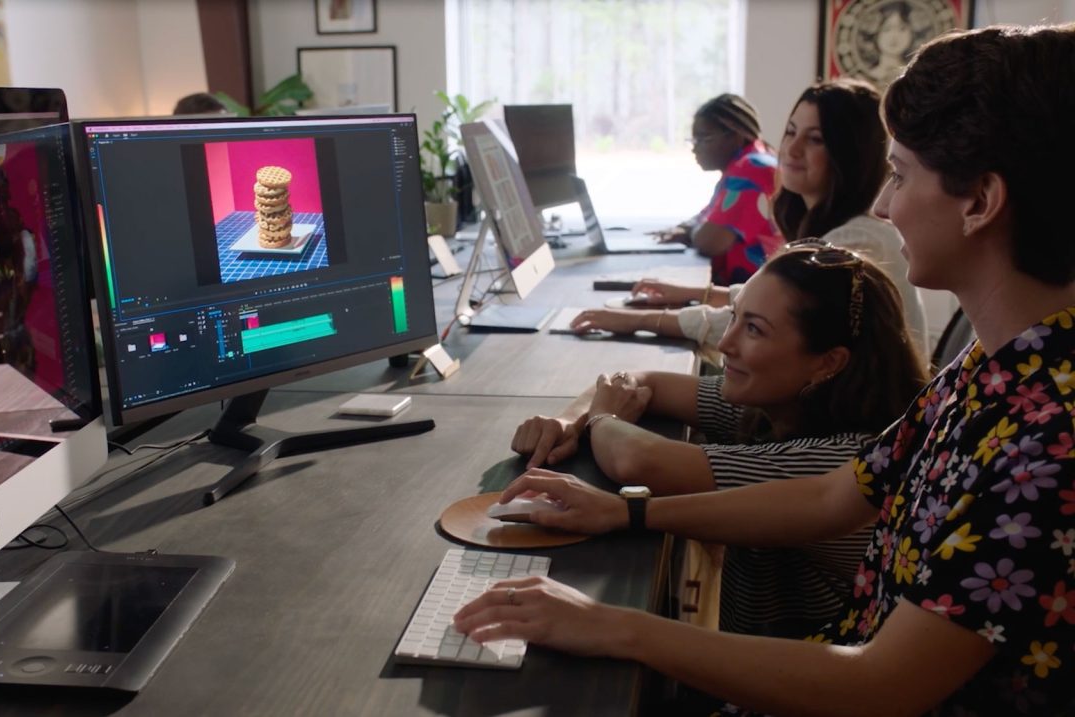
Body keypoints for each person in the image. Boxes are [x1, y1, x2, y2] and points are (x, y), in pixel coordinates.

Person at [456, 24, 1075, 715]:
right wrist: (625, 511)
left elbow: (881, 685)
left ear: (981, 201)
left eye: (900, 175)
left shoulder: (1047, 438)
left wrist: (612, 625)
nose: (881, 203)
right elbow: (830, 496)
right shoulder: (991, 369)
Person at [515, 244, 927, 636]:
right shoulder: (780, 399)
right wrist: (568, 420)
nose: (726, 343)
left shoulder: (846, 456)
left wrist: (601, 417)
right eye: (734, 317)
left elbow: (639, 460)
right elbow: (639, 382)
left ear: (827, 363)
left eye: (754, 329)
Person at [578, 79, 931, 357]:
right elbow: (765, 301)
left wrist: (637, 320)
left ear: (850, 155)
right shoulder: (836, 230)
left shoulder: (857, 244)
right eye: (791, 132)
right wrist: (688, 292)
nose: (791, 150)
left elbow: (752, 324)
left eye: (816, 139)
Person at [658, 94, 781, 286]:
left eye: (703, 139)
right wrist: (685, 228)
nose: (694, 148)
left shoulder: (753, 168)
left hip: (756, 298)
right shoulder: (747, 164)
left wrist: (690, 234)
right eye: (693, 140)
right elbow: (706, 217)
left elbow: (712, 241)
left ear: (736, 136)